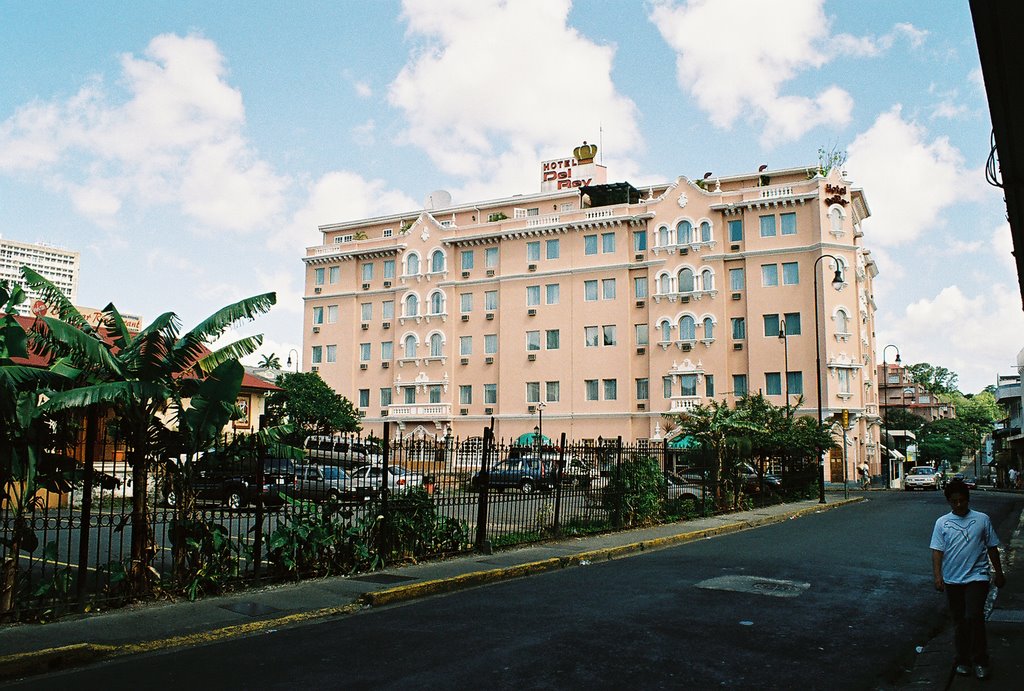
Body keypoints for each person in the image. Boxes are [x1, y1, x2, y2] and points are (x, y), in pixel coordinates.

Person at [930, 478, 1006, 680]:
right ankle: (963, 659)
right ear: (949, 501)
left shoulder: (982, 519)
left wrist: (998, 572)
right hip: (953, 580)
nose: (959, 505)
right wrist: (938, 576)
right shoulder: (942, 523)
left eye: (962, 500)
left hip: (977, 577)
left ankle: (980, 659)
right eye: (954, 501)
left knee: (974, 616)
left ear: (968, 499)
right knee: (960, 621)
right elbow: (937, 551)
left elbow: (992, 547)